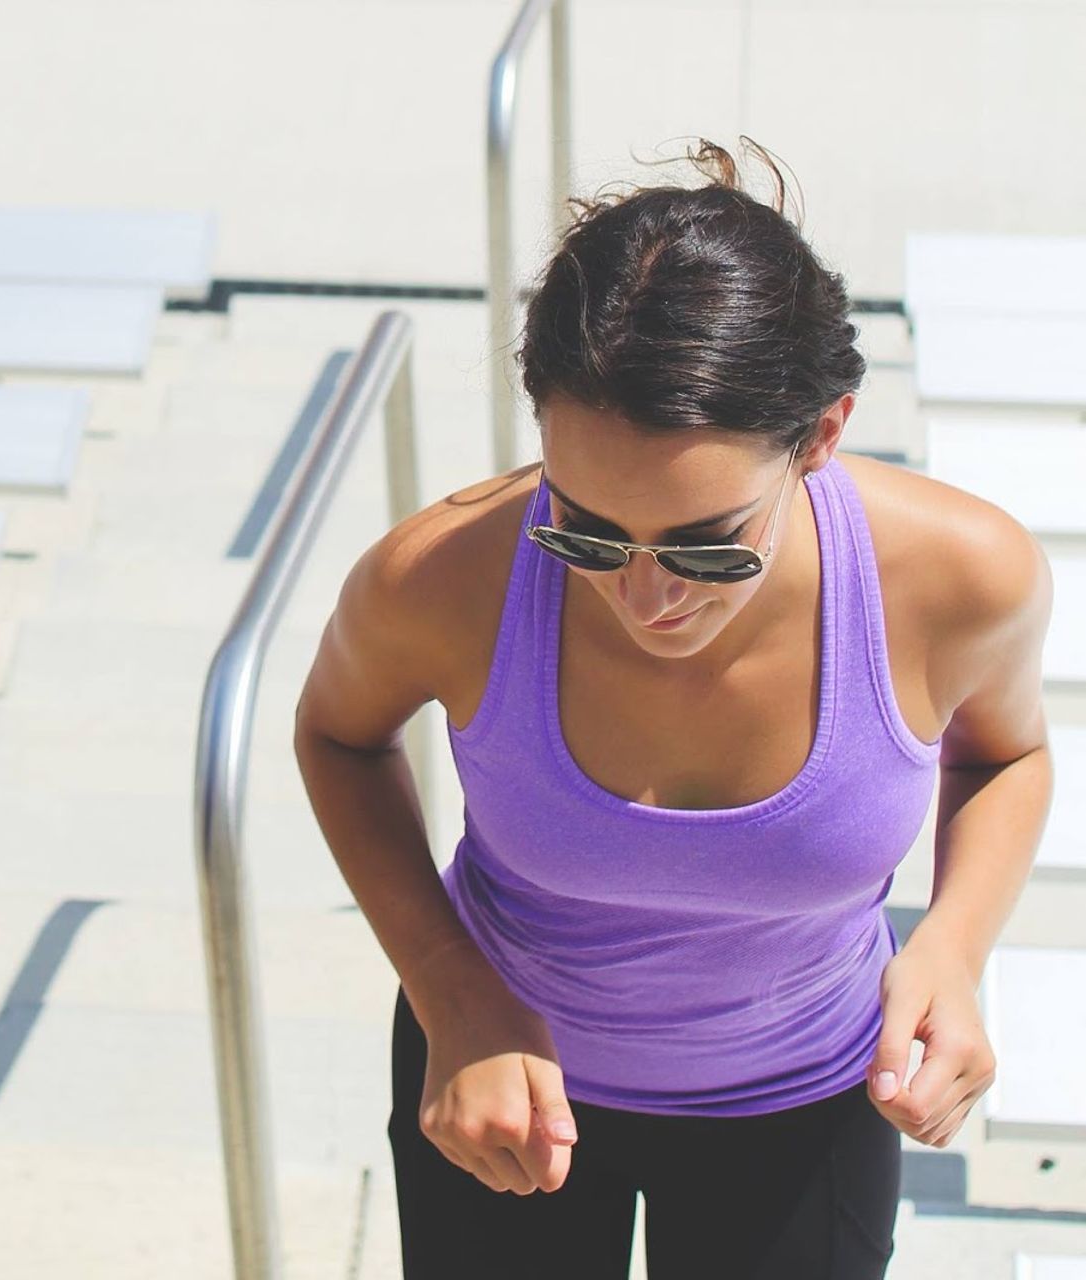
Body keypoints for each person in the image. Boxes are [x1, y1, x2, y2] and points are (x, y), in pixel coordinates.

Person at [294, 142, 1054, 1279]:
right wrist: (450, 992)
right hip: (504, 1080)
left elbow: (1006, 756)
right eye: (583, 528)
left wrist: (949, 946)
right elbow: (337, 737)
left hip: (807, 1104)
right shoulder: (442, 575)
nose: (644, 597)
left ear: (822, 436)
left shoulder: (958, 575)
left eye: (708, 544)